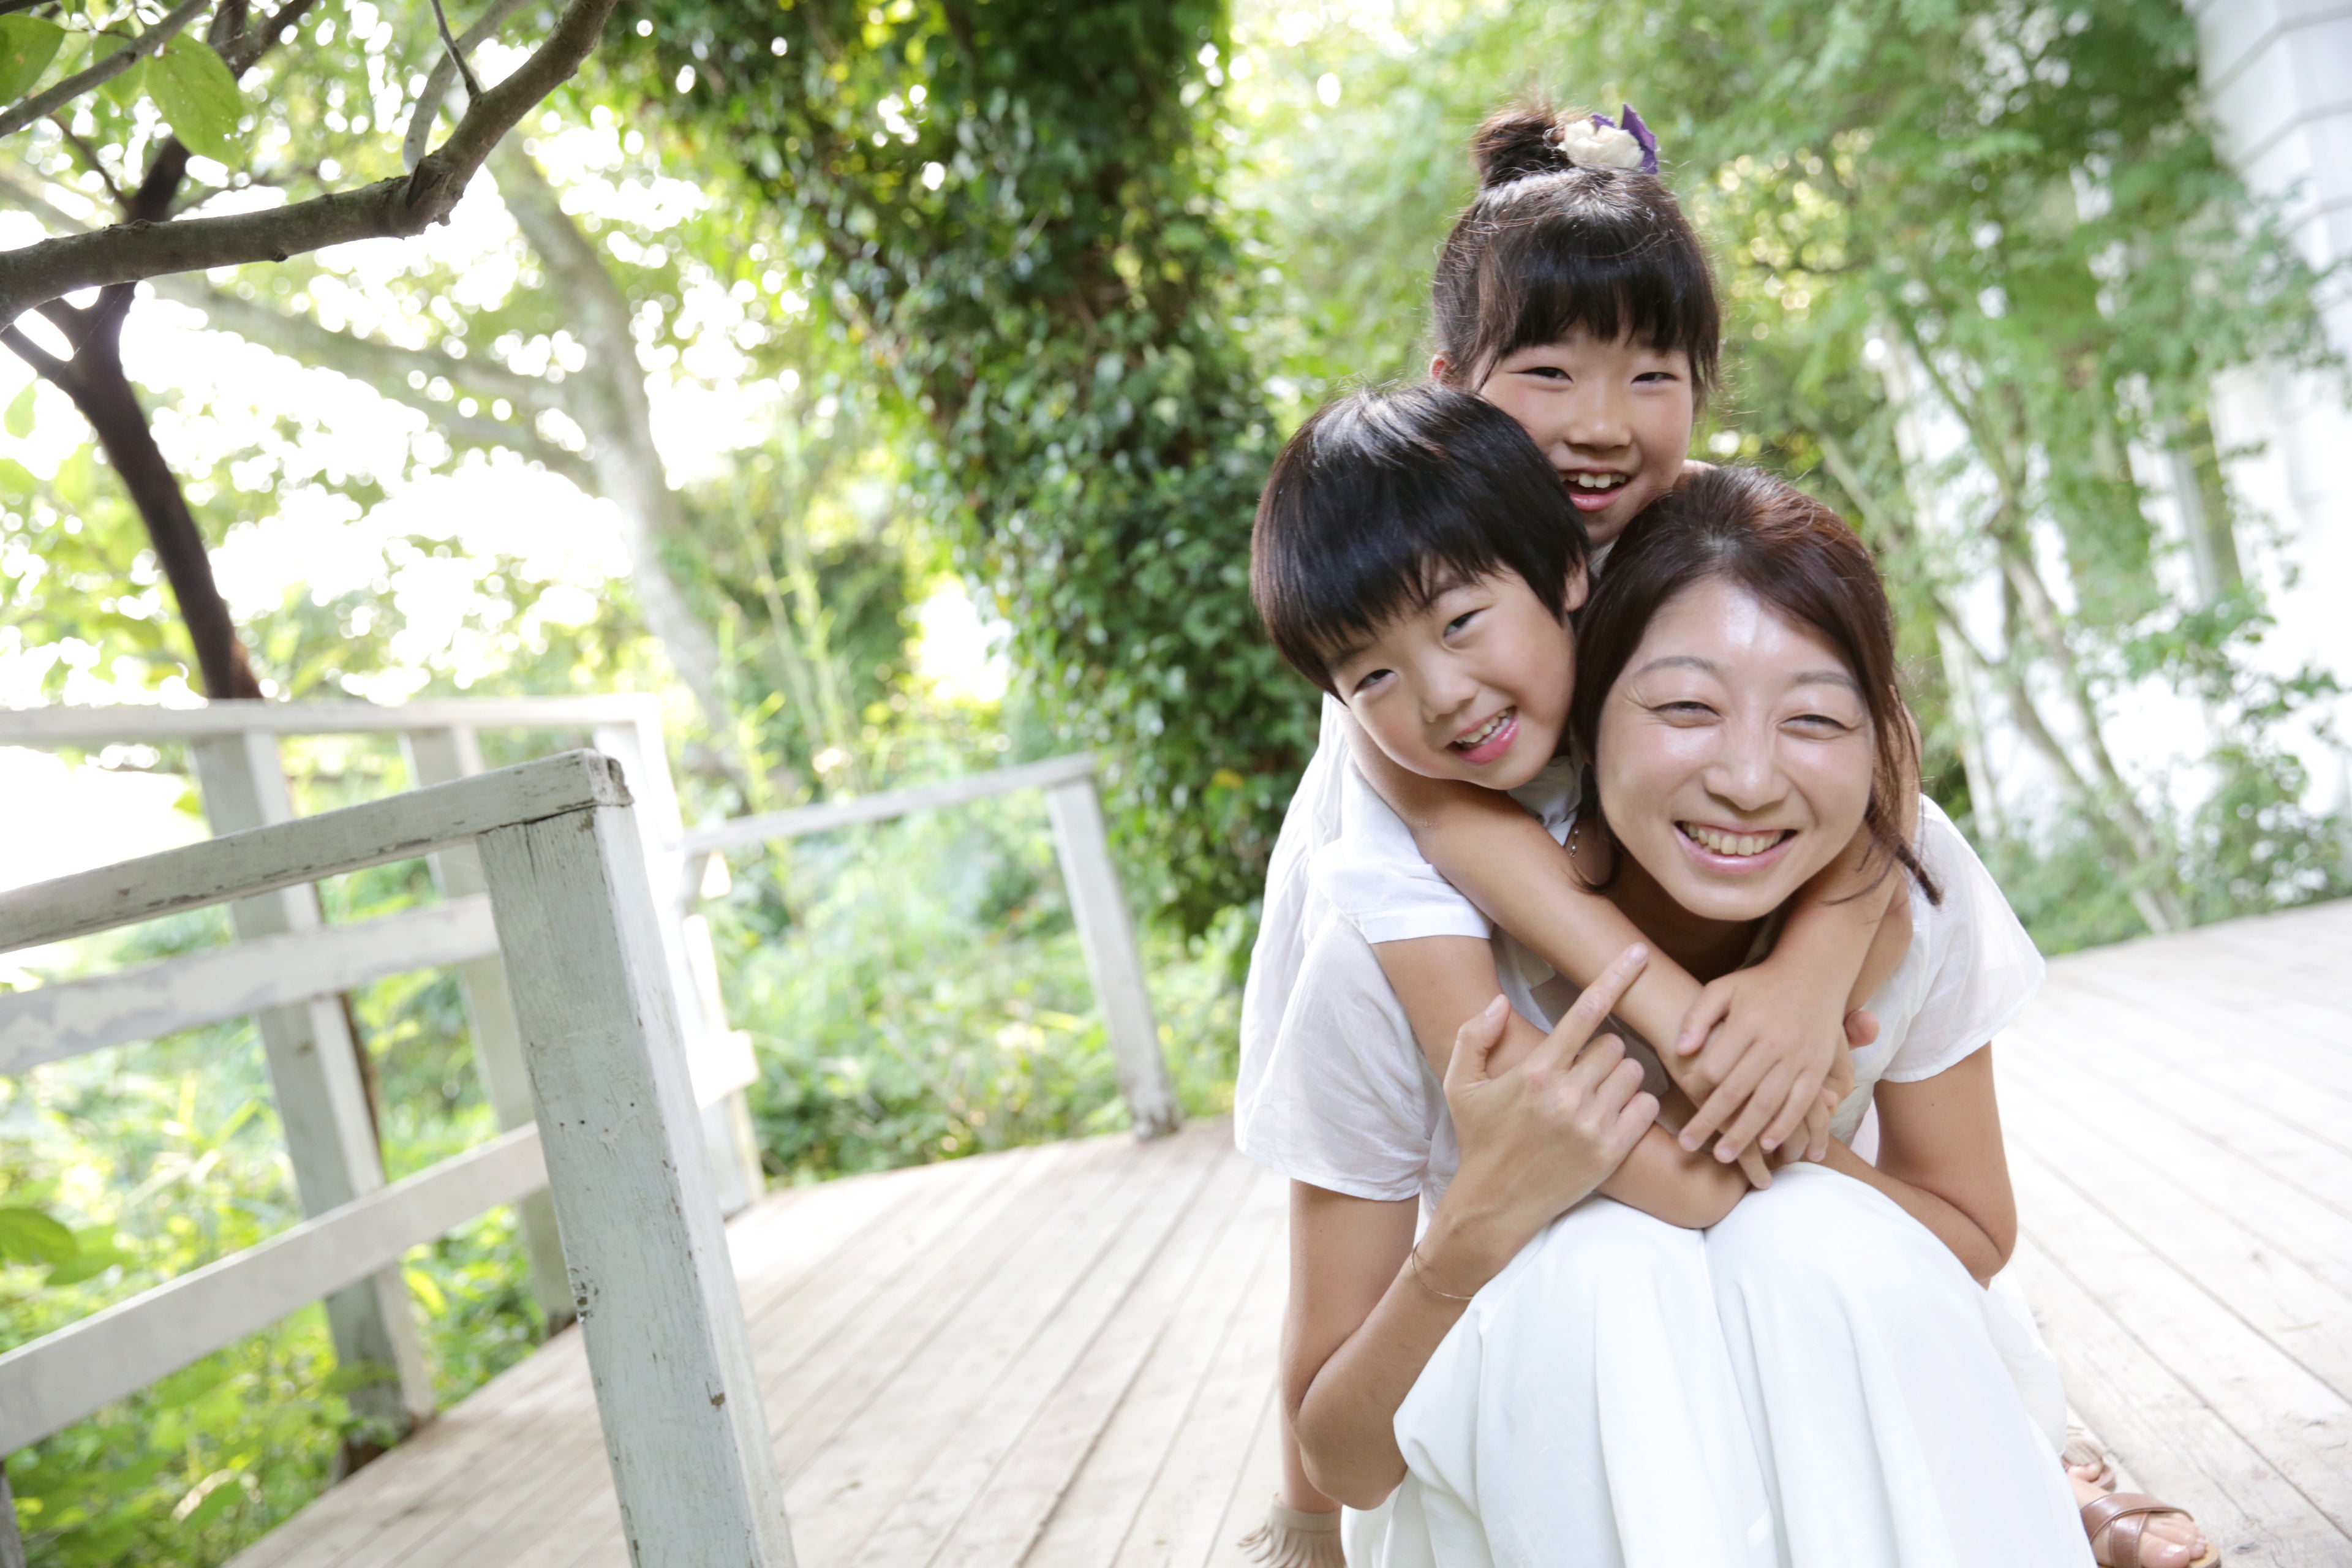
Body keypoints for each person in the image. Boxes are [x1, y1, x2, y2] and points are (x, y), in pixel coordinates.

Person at [1243, 402, 2217, 1565]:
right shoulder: (1392, 936)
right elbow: (1342, 1453)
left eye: (1812, 718)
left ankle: (2042, 1476)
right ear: (1592, 699)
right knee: (1598, 1264)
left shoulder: (1901, 881)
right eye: (1686, 708)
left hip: (1846, 1424)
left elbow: (1962, 1239)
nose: (1749, 780)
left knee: (1811, 1235)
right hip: (1552, 1463)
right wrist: (1478, 1224)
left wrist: (1793, 1068)